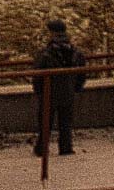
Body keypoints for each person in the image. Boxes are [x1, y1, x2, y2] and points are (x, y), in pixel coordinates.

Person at [32, 19, 86, 156]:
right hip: (68, 92)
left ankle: (42, 148)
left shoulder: (46, 52)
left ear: (52, 33)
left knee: (45, 122)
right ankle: (66, 147)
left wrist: (38, 91)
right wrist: (76, 88)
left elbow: (37, 74)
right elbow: (82, 73)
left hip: (49, 93)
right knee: (66, 122)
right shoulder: (75, 52)